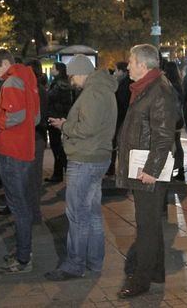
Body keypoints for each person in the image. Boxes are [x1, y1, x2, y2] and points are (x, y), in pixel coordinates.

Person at [44, 55, 117, 281]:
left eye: (74, 76)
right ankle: (95, 261)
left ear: (82, 72)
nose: (73, 81)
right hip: (96, 156)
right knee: (92, 213)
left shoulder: (94, 92)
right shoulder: (102, 89)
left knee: (77, 214)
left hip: (85, 158)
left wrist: (66, 125)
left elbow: (87, 128)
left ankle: (75, 264)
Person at [115, 44, 178, 298]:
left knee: (146, 225)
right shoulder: (147, 88)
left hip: (148, 169)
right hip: (142, 165)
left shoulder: (158, 90)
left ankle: (141, 280)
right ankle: (156, 272)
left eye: (131, 61)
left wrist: (151, 169)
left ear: (143, 64)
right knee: (150, 223)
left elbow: (163, 136)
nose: (127, 65)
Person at [0, 49, 40, 274]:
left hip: (13, 151)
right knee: (23, 205)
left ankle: (23, 258)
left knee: (18, 207)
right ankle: (24, 251)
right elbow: (35, 117)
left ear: (4, 63)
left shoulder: (12, 82)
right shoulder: (28, 78)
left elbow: (14, 117)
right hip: (25, 149)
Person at [26, 58, 48, 223]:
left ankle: (34, 214)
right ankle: (34, 212)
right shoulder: (39, 89)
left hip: (35, 136)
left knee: (32, 178)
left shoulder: (35, 90)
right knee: (33, 177)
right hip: (37, 135)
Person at [46, 62, 74, 182]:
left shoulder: (57, 85)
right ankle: (58, 173)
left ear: (57, 71)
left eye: (52, 68)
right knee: (58, 145)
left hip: (55, 118)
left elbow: (50, 98)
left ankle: (62, 170)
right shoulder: (66, 84)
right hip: (63, 116)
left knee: (56, 146)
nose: (51, 70)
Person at [163, 61, 186, 180]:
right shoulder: (179, 83)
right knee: (177, 143)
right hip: (178, 119)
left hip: (171, 118)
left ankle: (170, 170)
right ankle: (180, 169)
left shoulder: (168, 85)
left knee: (171, 145)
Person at [110, 61, 131, 175]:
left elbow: (122, 104)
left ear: (122, 72)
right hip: (122, 119)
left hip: (121, 119)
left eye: (116, 70)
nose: (114, 73)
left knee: (119, 145)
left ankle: (119, 170)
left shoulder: (123, 85)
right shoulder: (123, 83)